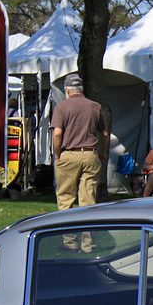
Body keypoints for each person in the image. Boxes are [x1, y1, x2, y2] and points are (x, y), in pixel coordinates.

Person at [51, 72, 107, 211]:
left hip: (69, 154)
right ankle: (87, 232)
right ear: (82, 89)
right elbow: (104, 133)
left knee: (65, 199)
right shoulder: (95, 106)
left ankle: (67, 232)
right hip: (90, 154)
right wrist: (102, 152)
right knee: (88, 201)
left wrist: (57, 156)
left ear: (67, 90)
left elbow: (57, 133)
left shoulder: (61, 107)